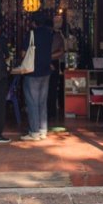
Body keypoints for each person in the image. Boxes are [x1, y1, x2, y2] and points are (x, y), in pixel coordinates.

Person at [21, 11, 53, 141]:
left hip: (32, 71)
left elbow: (23, 54)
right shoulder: (49, 34)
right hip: (46, 71)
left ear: (33, 22)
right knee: (42, 101)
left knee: (32, 102)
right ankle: (43, 130)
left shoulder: (31, 34)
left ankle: (34, 132)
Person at [47, 13, 66, 119]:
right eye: (57, 21)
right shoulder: (56, 36)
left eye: (60, 21)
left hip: (51, 62)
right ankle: (51, 112)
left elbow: (61, 51)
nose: (59, 23)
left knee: (51, 88)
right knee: (51, 88)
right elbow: (61, 51)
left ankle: (50, 111)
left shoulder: (58, 35)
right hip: (52, 62)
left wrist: (47, 57)